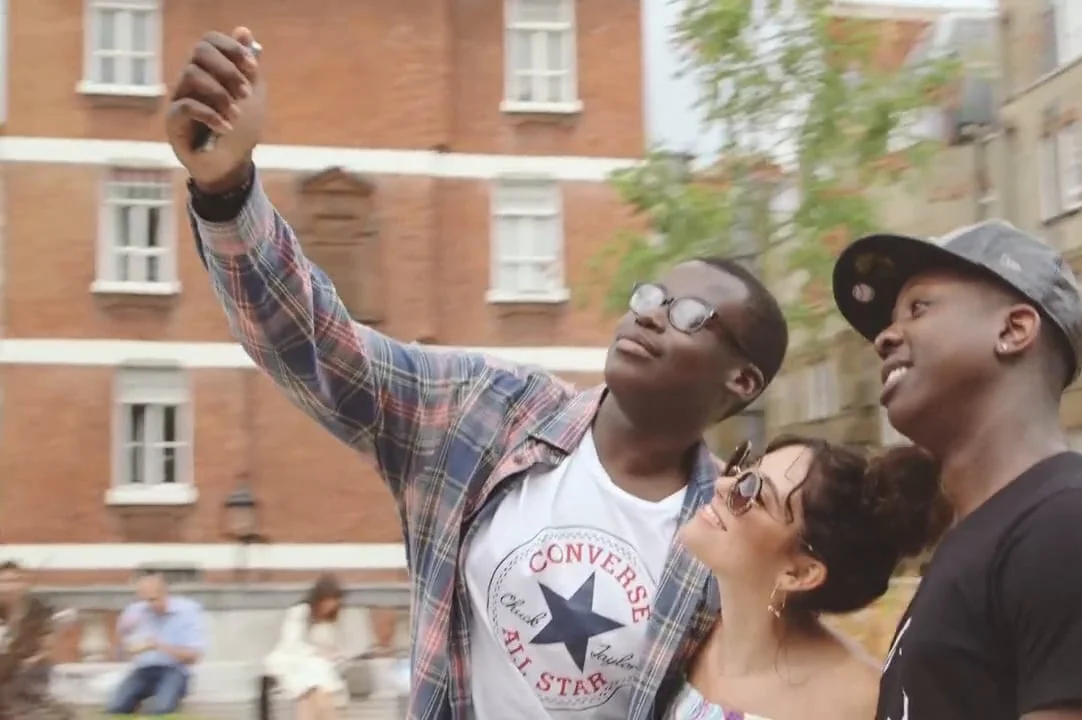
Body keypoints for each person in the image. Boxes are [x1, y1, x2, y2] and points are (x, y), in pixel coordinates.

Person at [166, 27, 789, 719]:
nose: (650, 316)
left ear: (742, 381)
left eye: (690, 315)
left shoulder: (729, 542)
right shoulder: (483, 410)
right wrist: (226, 189)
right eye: (650, 297)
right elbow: (314, 344)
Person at [830, 220, 1082, 720]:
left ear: (1013, 330)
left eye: (918, 308)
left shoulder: (1075, 524)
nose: (884, 338)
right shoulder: (981, 534)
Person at [667, 436, 948, 720]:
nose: (722, 485)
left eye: (753, 493)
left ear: (800, 573)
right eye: (742, 470)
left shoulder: (861, 702)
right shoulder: (684, 623)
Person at [105, 572, 207, 716]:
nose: (150, 605)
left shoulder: (187, 611)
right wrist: (121, 633)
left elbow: (194, 657)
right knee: (116, 707)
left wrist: (159, 646)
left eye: (153, 599)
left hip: (174, 669)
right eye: (145, 600)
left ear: (165, 593)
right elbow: (118, 654)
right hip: (143, 669)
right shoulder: (136, 611)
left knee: (161, 709)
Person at [264, 574, 350, 720]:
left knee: (314, 696)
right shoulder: (299, 612)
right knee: (315, 685)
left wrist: (333, 654)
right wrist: (316, 652)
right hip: (293, 661)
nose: (331, 606)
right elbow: (291, 643)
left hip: (319, 668)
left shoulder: (330, 621)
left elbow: (331, 646)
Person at [0, 561, 74, 720]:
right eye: (4, 582)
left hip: (27, 674)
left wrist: (29, 661)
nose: (9, 587)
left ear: (25, 584)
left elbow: (48, 647)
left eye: (15, 581)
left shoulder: (39, 611)